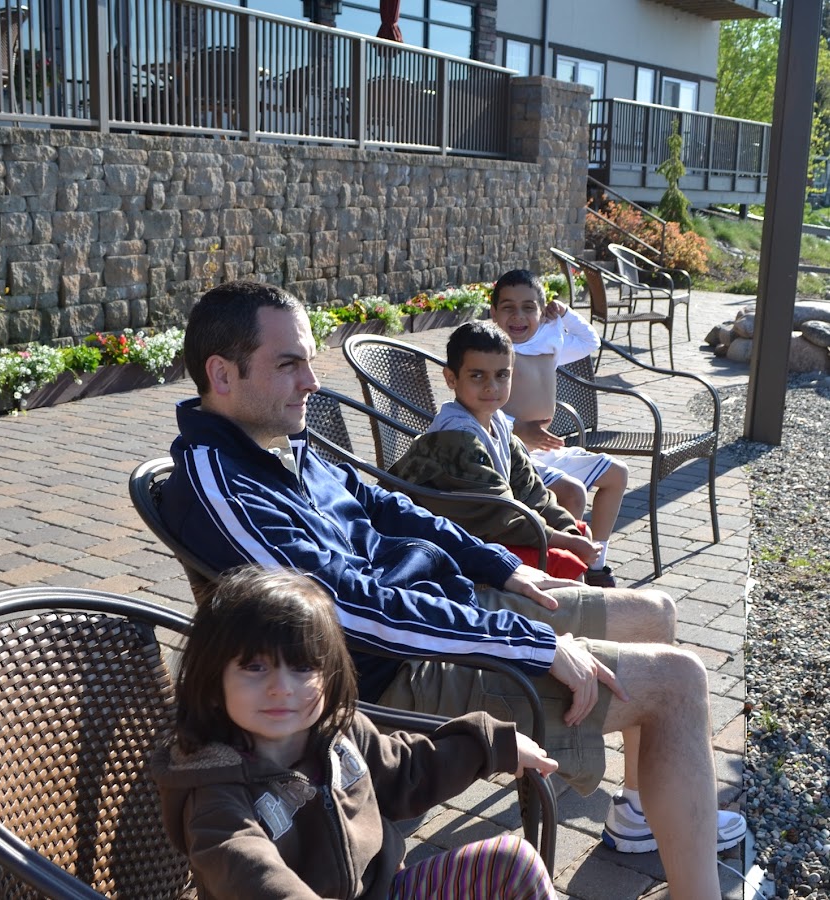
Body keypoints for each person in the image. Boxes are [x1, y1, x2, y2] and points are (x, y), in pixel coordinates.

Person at [159, 280, 745, 900]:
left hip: (440, 613)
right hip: (394, 672)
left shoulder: (277, 444)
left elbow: (387, 506)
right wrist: (531, 643)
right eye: (289, 364)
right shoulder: (221, 485)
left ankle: (639, 816)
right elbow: (351, 612)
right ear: (222, 374)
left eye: (308, 360)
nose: (311, 381)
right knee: (679, 682)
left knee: (655, 612)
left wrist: (500, 566)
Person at [152, 565, 558, 900]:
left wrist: (490, 747)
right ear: (214, 682)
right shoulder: (213, 792)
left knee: (513, 861)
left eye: (302, 667)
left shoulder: (337, 732)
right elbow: (250, 871)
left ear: (329, 675)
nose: (281, 687)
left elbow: (407, 771)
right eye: (255, 667)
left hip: (384, 889)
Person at [388, 319, 604, 583]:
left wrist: (569, 532)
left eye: (502, 375)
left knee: (580, 533)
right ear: (451, 378)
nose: (491, 386)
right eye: (477, 375)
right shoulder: (456, 438)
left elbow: (530, 488)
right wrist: (566, 542)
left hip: (491, 529)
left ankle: (579, 601)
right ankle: (572, 608)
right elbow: (500, 516)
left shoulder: (498, 421)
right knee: (566, 561)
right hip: (448, 541)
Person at [489, 269, 629, 589]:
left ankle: (595, 565)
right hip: (511, 454)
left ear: (542, 311)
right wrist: (516, 428)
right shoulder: (492, 352)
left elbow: (590, 341)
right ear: (493, 312)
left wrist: (565, 313)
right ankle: (562, 576)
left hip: (544, 450)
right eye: (508, 307)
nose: (518, 316)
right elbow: (478, 406)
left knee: (616, 473)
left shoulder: (549, 340)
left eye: (529, 307)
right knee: (572, 491)